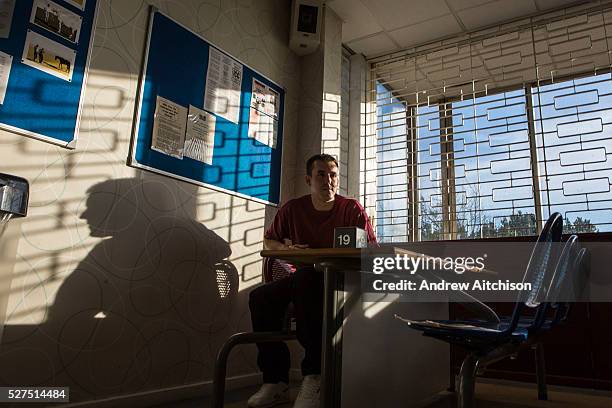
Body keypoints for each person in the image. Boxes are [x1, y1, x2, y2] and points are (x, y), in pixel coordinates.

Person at [247, 154, 377, 408]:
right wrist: (286, 249)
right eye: (321, 174)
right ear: (308, 179)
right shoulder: (293, 209)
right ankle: (276, 381)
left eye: (332, 175)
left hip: (342, 280)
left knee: (305, 280)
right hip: (305, 278)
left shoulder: (351, 209)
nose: (328, 180)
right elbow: (270, 241)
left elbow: (371, 249)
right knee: (259, 297)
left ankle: (314, 375)